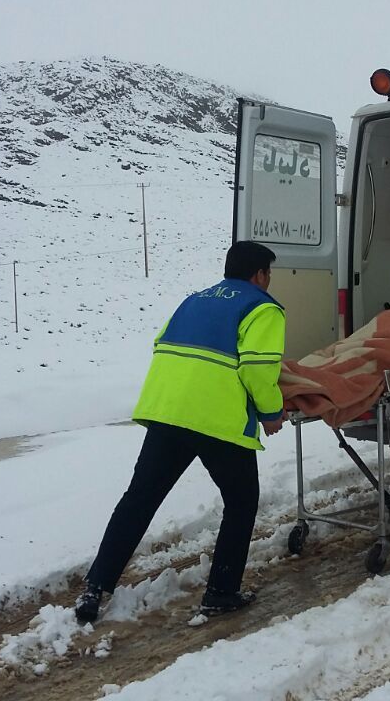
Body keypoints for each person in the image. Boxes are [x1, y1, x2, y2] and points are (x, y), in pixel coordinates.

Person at [74, 241, 286, 623]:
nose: (269, 282)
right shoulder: (262, 307)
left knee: (139, 498)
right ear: (259, 275)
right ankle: (220, 592)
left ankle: (95, 587)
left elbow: (161, 344)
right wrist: (271, 413)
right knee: (241, 502)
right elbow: (257, 366)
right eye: (268, 275)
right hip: (216, 418)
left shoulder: (193, 300)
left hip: (168, 411)